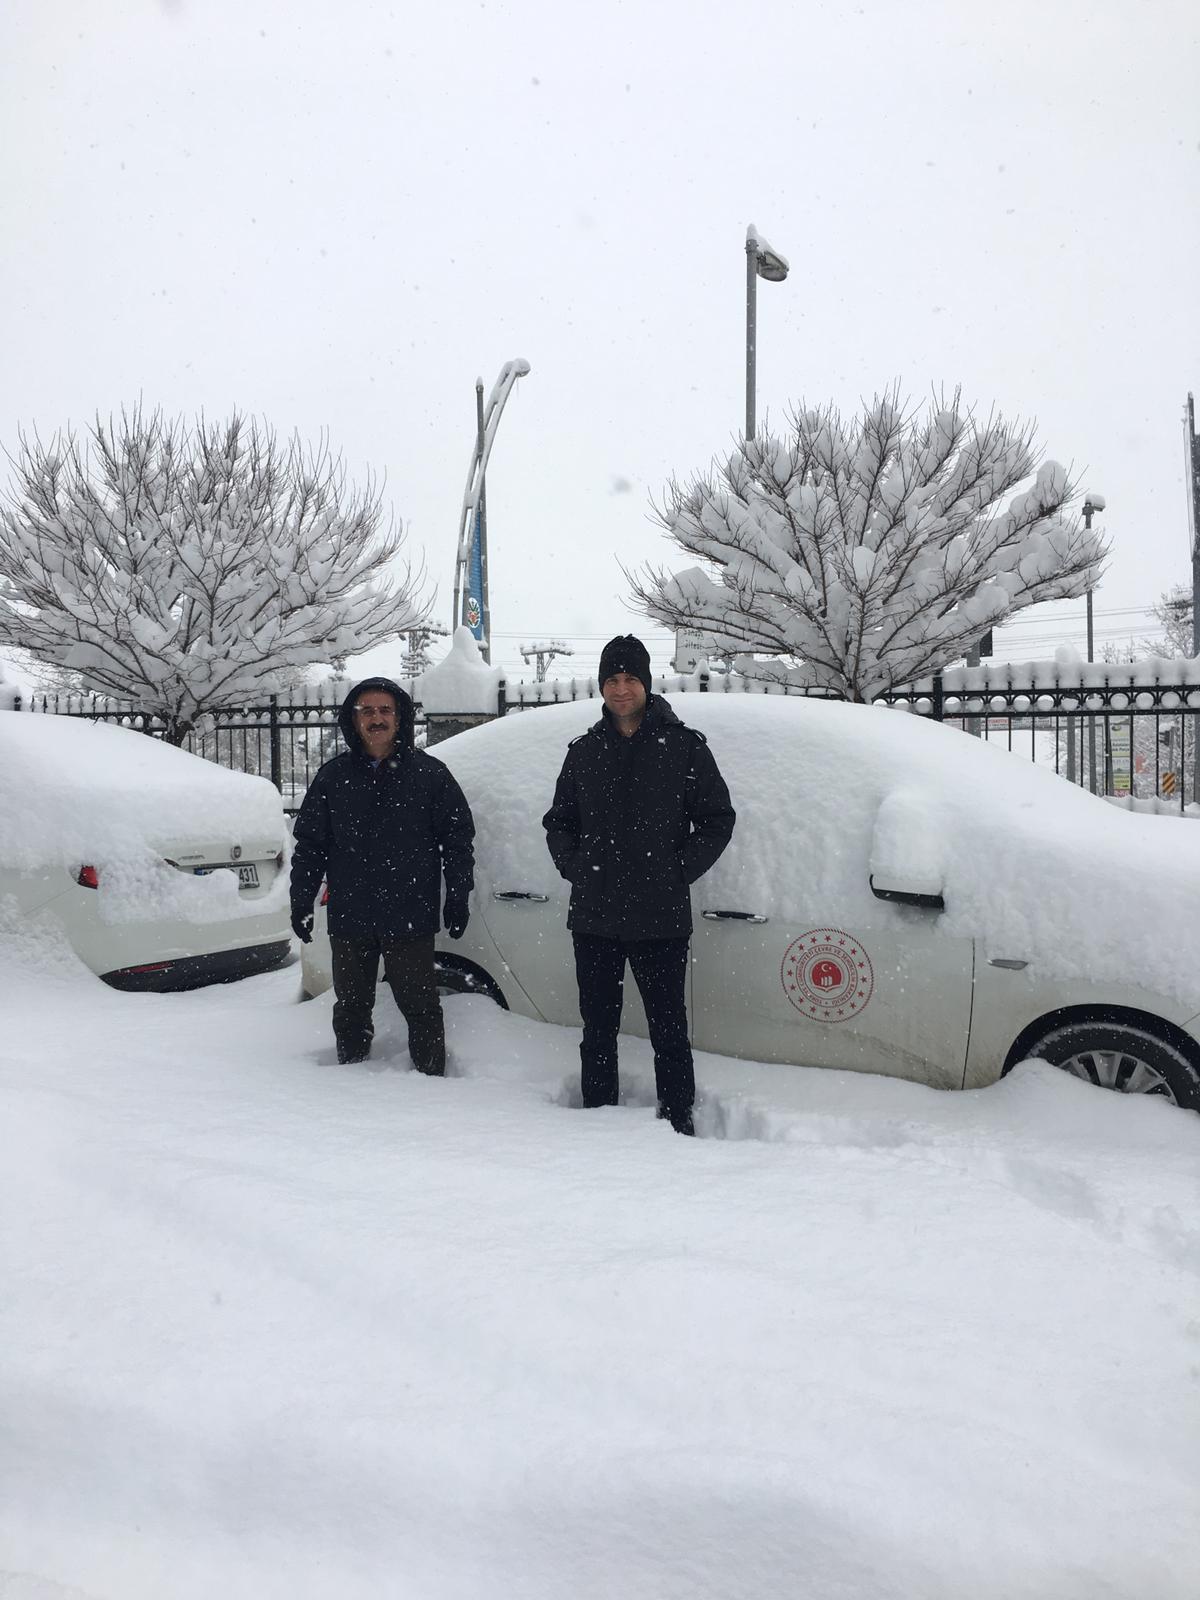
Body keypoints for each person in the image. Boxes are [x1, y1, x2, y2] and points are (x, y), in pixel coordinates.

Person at [542, 635, 735, 1134]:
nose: (621, 688)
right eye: (612, 679)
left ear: (646, 684)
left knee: (669, 1031)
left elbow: (717, 819)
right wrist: (576, 867)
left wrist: (676, 872)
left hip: (660, 917)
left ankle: (678, 1120)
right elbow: (559, 823)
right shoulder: (584, 753)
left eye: (630, 679)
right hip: (595, 916)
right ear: (601, 685)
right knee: (597, 1030)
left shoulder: (683, 748)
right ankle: (598, 1120)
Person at [290, 677, 475, 1071]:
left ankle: (429, 1081)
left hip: (409, 913)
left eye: (385, 710)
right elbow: (309, 846)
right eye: (367, 711)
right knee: (352, 1007)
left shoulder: (429, 775)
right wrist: (301, 900)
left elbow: (458, 841)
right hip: (351, 914)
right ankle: (352, 1082)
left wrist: (458, 896)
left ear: (401, 717)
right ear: (353, 719)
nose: (377, 718)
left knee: (421, 1006)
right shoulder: (332, 778)